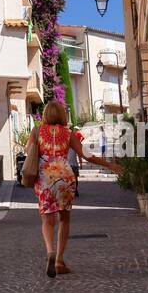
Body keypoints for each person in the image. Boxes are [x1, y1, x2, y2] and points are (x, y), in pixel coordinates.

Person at [32, 99, 119, 277]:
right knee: (64, 219)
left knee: (47, 221)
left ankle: (50, 251)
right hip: (65, 176)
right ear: (62, 115)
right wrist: (109, 165)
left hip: (45, 178)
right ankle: (59, 261)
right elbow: (86, 155)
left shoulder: (37, 131)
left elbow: (29, 154)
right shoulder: (68, 133)